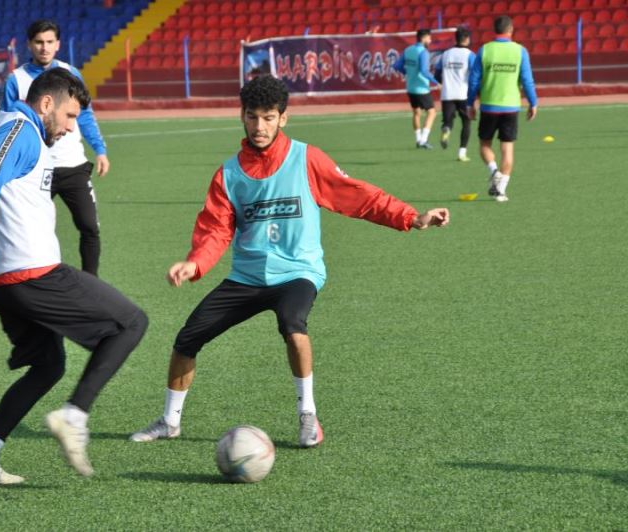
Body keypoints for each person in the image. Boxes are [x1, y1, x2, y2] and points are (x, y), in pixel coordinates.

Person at [129, 75, 449, 448]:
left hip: (297, 272)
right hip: (247, 277)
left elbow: (358, 196)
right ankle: (170, 421)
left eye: (268, 117)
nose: (259, 126)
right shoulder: (229, 174)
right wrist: (195, 263)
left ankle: (308, 415)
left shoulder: (306, 158)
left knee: (293, 324)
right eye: (252, 116)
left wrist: (412, 218)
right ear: (242, 116)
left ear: (283, 118)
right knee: (188, 338)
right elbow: (215, 229)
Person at [0, 68, 148, 487]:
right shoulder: (20, 131)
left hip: (11, 281)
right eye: (69, 115)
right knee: (132, 323)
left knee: (48, 366)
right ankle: (74, 416)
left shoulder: (26, 132)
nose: (70, 127)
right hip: (32, 274)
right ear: (46, 103)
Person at [0, 19, 109, 276]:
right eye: (39, 42)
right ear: (29, 44)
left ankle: (91, 283)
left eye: (49, 42)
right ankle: (35, 281)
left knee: (89, 227)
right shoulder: (16, 80)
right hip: (34, 170)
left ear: (58, 44)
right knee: (31, 231)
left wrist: (100, 150)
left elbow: (85, 115)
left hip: (73, 166)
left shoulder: (71, 74)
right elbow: (5, 122)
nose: (44, 47)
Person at [467, 15, 538, 202]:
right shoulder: (520, 51)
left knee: (484, 145)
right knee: (507, 149)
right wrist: (533, 102)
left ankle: (494, 171)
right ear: (511, 30)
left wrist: (470, 103)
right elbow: (527, 80)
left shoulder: (485, 50)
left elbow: (473, 80)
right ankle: (501, 191)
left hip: (489, 106)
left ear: (494, 29)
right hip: (511, 107)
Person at [394, 29, 441, 149]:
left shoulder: (408, 49)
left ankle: (418, 139)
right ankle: (423, 140)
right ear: (423, 38)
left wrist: (408, 73)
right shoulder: (423, 52)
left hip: (410, 87)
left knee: (416, 113)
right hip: (421, 89)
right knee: (432, 112)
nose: (430, 41)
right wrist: (436, 82)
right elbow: (424, 71)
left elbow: (396, 65)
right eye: (429, 38)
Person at [434, 28, 476, 162]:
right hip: (463, 94)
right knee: (466, 123)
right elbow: (475, 75)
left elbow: (437, 74)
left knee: (448, 121)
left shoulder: (445, 54)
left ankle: (446, 130)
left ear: (456, 39)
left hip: (447, 93)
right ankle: (462, 153)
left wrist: (443, 82)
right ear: (467, 39)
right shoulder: (470, 55)